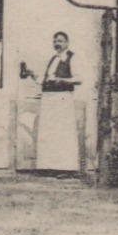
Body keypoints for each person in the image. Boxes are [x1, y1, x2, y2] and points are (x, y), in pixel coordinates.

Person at [24, 31, 82, 175]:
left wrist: (61, 80)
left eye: (60, 41)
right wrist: (32, 74)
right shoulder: (53, 59)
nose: (57, 43)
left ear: (67, 43)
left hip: (63, 97)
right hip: (49, 97)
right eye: (55, 41)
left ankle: (67, 169)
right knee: (49, 132)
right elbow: (44, 80)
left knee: (63, 132)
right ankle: (50, 167)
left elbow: (78, 79)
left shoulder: (72, 58)